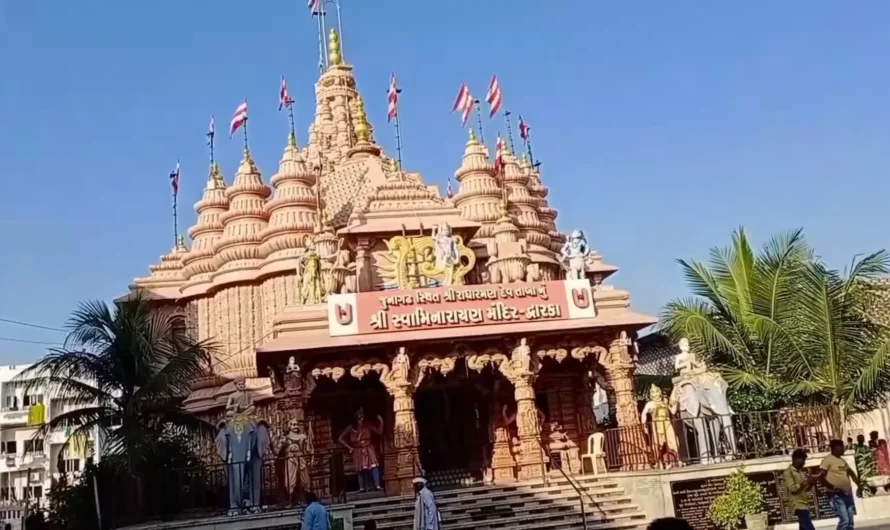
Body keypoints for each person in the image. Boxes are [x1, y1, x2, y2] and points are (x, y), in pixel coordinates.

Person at [819, 439, 876, 530]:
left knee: (850, 522)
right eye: (842, 447)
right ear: (836, 447)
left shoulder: (842, 461)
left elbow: (852, 474)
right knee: (844, 521)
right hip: (836, 495)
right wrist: (834, 487)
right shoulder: (827, 460)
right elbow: (821, 478)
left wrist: (859, 487)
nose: (844, 449)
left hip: (847, 495)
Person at [339, 408, 384, 492]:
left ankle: (377, 485)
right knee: (360, 469)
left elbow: (379, 432)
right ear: (356, 419)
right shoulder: (351, 428)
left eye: (362, 417)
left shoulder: (368, 425)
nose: (361, 419)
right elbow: (340, 438)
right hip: (357, 449)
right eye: (359, 418)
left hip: (368, 447)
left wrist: (381, 422)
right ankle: (362, 487)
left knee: (374, 466)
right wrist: (349, 447)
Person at [784, 449, 815, 530]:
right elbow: (792, 489)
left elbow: (805, 489)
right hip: (797, 505)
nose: (804, 463)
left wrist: (811, 483)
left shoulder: (800, 472)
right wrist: (804, 482)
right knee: (809, 527)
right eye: (802, 460)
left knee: (803, 527)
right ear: (795, 459)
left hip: (805, 503)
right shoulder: (788, 472)